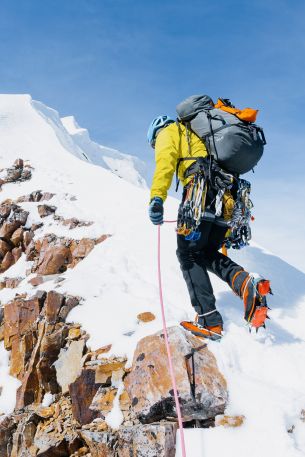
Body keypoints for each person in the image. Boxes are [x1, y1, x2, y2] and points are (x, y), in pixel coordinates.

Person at [147, 115, 271, 340]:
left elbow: (165, 162)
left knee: (188, 254)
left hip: (200, 191)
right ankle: (245, 282)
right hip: (228, 197)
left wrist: (157, 198)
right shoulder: (198, 134)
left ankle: (209, 320)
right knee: (204, 252)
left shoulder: (168, 131)